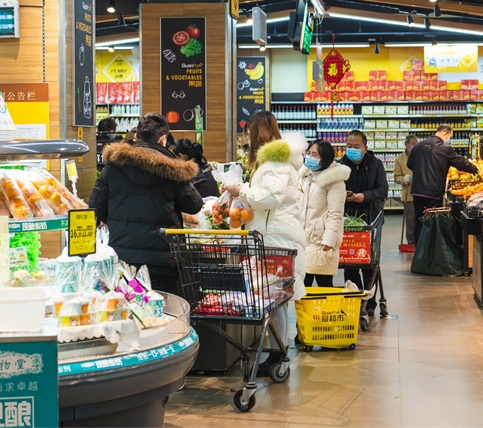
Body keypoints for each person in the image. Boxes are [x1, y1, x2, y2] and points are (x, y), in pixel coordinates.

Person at [222, 111, 306, 375]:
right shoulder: (271, 161)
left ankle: (278, 355)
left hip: (277, 239)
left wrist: (241, 191)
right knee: (274, 298)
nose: (247, 139)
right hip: (271, 236)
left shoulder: (276, 162)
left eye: (249, 133)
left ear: (259, 132)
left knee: (275, 298)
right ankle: (277, 353)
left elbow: (271, 198)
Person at [89, 114, 203, 294]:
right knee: (162, 312)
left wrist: (118, 221)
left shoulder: (114, 165)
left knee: (128, 309)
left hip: (123, 257)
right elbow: (194, 205)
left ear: (137, 137)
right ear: (163, 139)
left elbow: (95, 207)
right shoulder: (173, 169)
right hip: (162, 259)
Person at [341, 130, 389, 315]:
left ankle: (369, 303)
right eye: (349, 146)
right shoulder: (341, 165)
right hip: (348, 219)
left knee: (368, 262)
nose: (351, 150)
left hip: (370, 218)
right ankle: (355, 298)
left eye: (356, 146)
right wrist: (344, 195)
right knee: (349, 261)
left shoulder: (375, 165)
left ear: (365, 148)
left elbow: (383, 190)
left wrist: (364, 197)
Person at [407, 125, 478, 241]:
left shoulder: (417, 146)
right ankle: (431, 252)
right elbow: (460, 162)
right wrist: (474, 169)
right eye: (450, 136)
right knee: (434, 223)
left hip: (417, 191)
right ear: (445, 134)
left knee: (419, 221)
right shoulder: (444, 149)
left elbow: (409, 164)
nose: (449, 139)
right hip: (433, 192)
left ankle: (419, 251)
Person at [299, 140, 350, 288]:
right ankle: (306, 312)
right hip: (305, 239)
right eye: (308, 153)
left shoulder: (335, 181)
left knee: (324, 285)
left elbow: (336, 214)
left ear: (325, 158)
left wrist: (329, 240)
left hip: (321, 241)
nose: (309, 157)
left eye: (315, 154)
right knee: (303, 284)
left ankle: (325, 312)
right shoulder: (307, 176)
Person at [394, 134, 418, 251]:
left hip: (422, 193)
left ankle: (421, 243)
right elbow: (396, 177)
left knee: (420, 221)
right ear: (406, 145)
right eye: (413, 144)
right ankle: (411, 244)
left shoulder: (421, 156)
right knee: (411, 222)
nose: (415, 146)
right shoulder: (400, 159)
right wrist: (403, 179)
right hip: (409, 195)